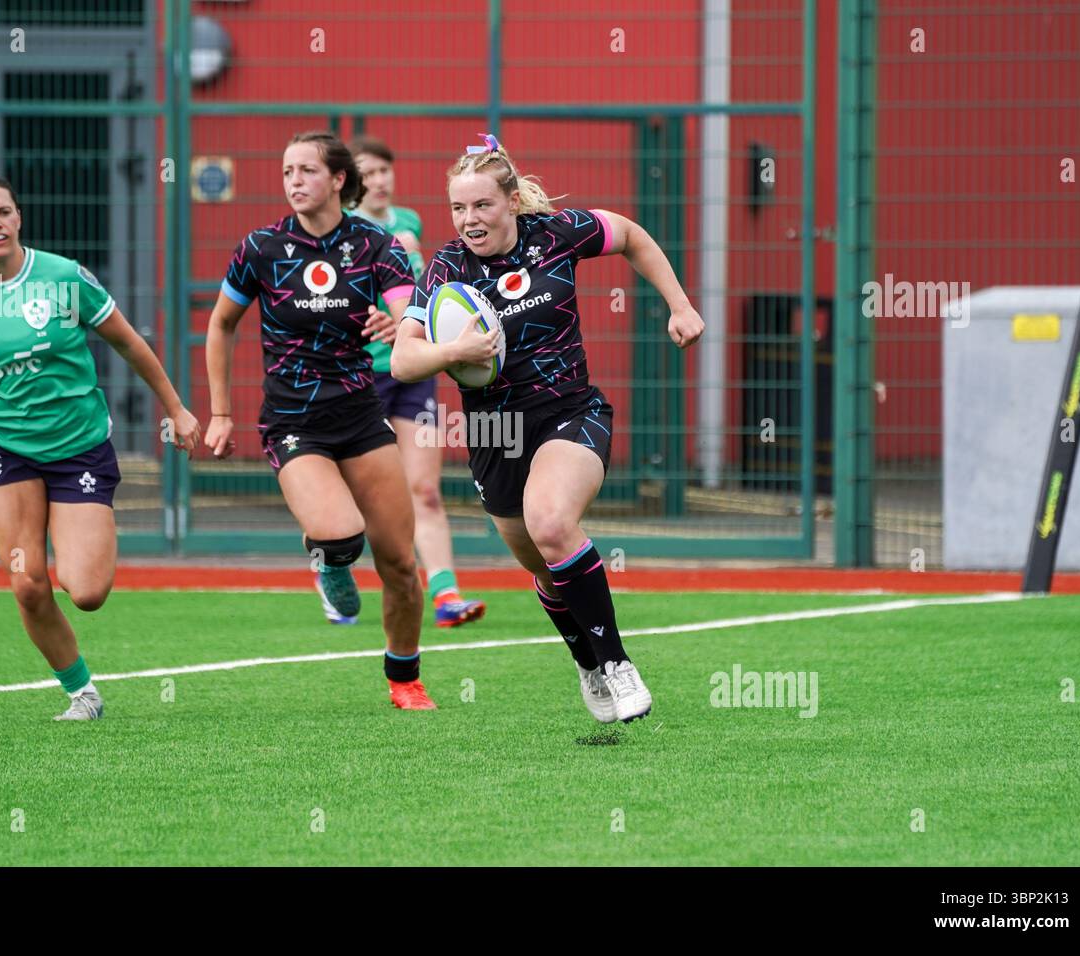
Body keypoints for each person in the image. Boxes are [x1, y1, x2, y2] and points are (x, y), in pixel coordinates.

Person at [390, 134, 705, 723]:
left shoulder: (557, 234)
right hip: (494, 434)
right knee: (542, 565)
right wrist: (453, 349)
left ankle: (617, 664)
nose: (469, 219)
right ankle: (587, 662)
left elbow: (632, 235)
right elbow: (404, 360)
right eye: (458, 208)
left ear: (511, 201)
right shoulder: (445, 268)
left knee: (553, 521)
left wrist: (679, 305)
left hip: (569, 411)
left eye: (482, 205)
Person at [0, 172, 200, 721]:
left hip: (78, 445)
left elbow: (129, 343)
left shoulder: (64, 278)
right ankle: (82, 692)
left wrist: (175, 408)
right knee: (28, 583)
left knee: (87, 591)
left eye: (3, 211)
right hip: (5, 447)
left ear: (19, 217)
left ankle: (83, 526)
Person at [203, 131, 436, 709]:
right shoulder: (260, 247)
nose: (294, 182)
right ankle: (330, 563)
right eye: (287, 172)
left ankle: (404, 678)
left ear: (337, 180)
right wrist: (221, 413)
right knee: (340, 536)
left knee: (402, 565)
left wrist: (398, 323)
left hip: (360, 415)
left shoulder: (376, 243)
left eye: (306, 170)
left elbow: (412, 308)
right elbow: (221, 325)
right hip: (292, 419)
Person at [349, 135, 485, 629]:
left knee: (424, 488)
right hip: (361, 376)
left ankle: (446, 592)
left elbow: (419, 296)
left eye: (385, 170)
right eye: (369, 172)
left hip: (414, 374)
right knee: (355, 494)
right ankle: (331, 565)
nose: (380, 181)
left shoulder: (409, 223)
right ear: (348, 182)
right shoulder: (344, 235)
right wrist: (376, 314)